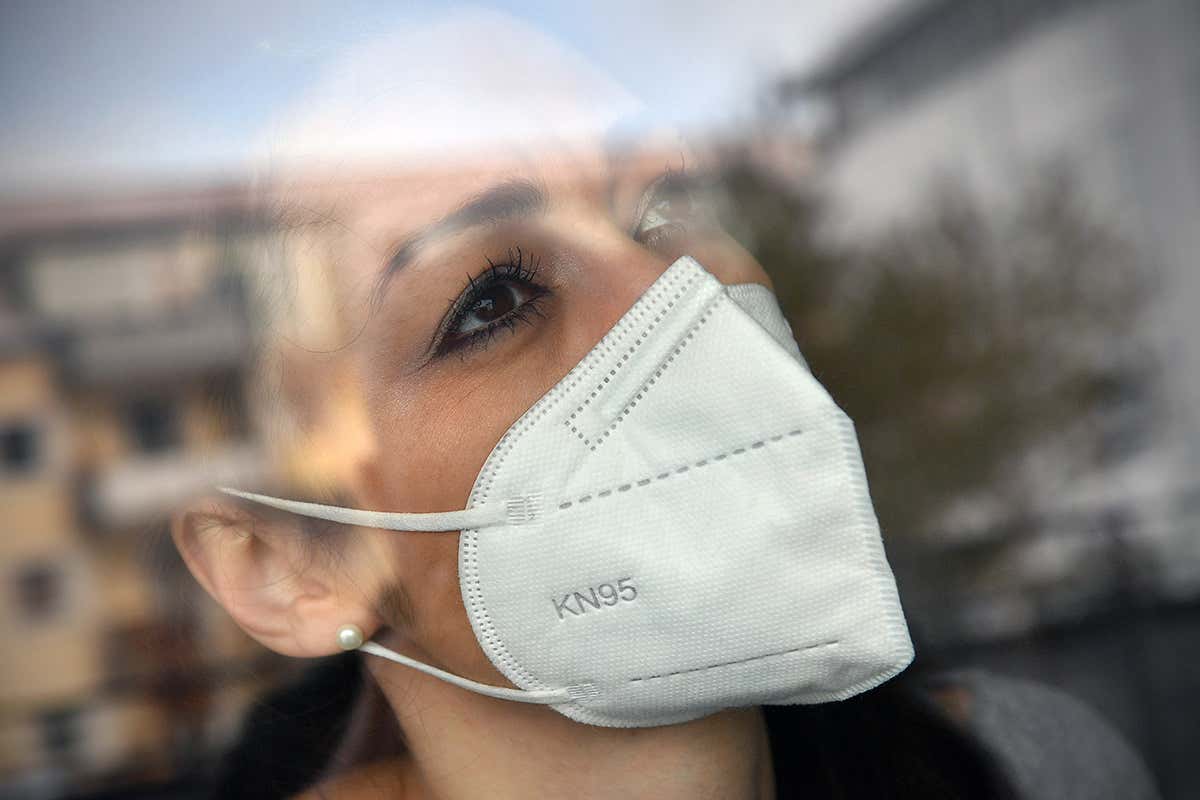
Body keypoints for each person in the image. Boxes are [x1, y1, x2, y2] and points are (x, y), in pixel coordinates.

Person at [167, 10, 1160, 799]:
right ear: (283, 568)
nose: (679, 295)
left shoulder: (1035, 769)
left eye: (665, 203)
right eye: (493, 300)